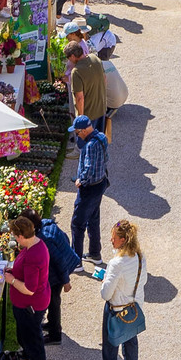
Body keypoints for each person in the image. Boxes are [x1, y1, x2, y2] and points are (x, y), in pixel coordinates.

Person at [90, 218, 147, 360]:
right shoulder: (140, 257)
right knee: (131, 350)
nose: (110, 240)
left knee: (110, 354)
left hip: (115, 312)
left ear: (122, 240)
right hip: (133, 311)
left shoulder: (116, 263)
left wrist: (106, 278)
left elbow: (105, 294)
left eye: (113, 238)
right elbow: (142, 282)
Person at [5, 211, 52, 360]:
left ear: (21, 236)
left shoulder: (34, 255)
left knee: (35, 346)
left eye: (16, 237)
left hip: (30, 307)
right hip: (29, 305)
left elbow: (30, 289)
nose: (15, 240)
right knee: (27, 341)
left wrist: (12, 280)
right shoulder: (36, 244)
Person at [70, 113, 110, 263]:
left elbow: (89, 167)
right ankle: (94, 254)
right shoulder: (101, 137)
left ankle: (76, 261)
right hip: (100, 183)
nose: (77, 135)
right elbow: (106, 159)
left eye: (77, 132)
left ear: (83, 130)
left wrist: (81, 180)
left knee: (77, 224)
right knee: (93, 219)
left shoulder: (90, 145)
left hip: (89, 188)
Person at [38, 208, 80, 347]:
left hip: (59, 272)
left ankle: (55, 335)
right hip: (64, 264)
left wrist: (66, 281)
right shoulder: (47, 224)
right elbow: (65, 238)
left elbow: (59, 262)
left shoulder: (44, 239)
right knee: (53, 300)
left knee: (54, 301)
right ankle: (51, 324)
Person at [66, 29, 109, 131]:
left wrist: (81, 119)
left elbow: (80, 98)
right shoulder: (95, 58)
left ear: (72, 56)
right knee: (99, 140)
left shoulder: (76, 72)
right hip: (101, 108)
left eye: (68, 58)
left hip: (89, 115)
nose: (69, 60)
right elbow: (104, 79)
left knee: (87, 144)